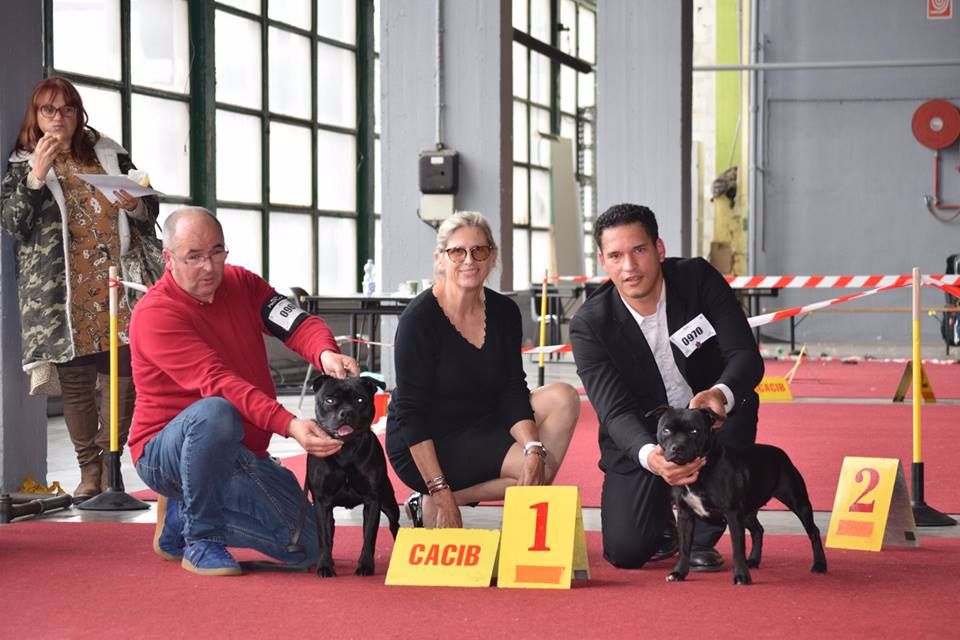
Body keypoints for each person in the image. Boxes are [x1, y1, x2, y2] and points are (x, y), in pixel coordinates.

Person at [127, 207, 360, 576]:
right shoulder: (156, 315)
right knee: (215, 411)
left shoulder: (243, 284)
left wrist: (325, 351)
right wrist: (290, 425)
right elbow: (220, 382)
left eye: (217, 252)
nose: (209, 266)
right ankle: (200, 538)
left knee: (309, 547)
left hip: (241, 451)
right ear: (168, 259)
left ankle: (180, 513)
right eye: (194, 257)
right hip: (164, 451)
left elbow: (295, 322)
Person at [569, 203, 763, 571]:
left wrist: (718, 395)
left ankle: (703, 531)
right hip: (642, 435)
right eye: (615, 255)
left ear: (659, 249)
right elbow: (614, 412)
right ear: (602, 261)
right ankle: (664, 512)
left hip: (710, 425)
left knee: (738, 409)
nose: (629, 266)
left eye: (639, 250)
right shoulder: (589, 325)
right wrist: (652, 458)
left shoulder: (697, 280)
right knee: (627, 552)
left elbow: (746, 357)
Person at [0, 77, 160, 501]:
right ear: (35, 116)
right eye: (48, 110)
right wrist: (36, 174)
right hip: (62, 291)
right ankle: (90, 470)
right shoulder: (22, 163)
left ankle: (112, 464)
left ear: (78, 114)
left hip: (114, 280)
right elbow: (14, 223)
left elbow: (150, 206)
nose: (58, 118)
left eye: (67, 110)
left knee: (122, 374)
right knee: (77, 379)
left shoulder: (108, 152)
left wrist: (136, 202)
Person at [386, 211, 580, 528]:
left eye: (479, 250)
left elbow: (512, 389)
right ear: (440, 258)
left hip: (481, 422)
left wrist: (533, 448)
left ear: (492, 257)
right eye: (457, 251)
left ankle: (439, 503)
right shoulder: (418, 320)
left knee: (563, 397)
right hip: (428, 439)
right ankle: (437, 494)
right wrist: (439, 485)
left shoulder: (504, 311)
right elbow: (410, 414)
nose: (469, 260)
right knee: (535, 473)